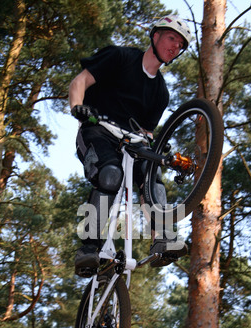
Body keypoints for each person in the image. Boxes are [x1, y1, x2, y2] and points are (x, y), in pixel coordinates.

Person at [69, 15, 191, 276]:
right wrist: (77, 107)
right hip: (98, 130)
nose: (174, 47)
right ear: (156, 36)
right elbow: (80, 82)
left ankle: (163, 238)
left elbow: (146, 133)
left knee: (152, 177)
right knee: (110, 176)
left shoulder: (161, 92)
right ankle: (89, 248)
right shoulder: (120, 58)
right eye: (171, 38)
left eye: (180, 45)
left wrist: (157, 154)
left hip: (132, 141)